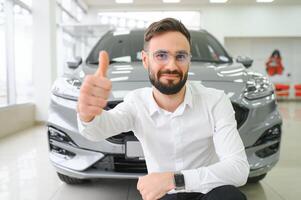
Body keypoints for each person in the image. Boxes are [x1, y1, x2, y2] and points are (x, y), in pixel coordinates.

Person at [77, 18, 249, 200]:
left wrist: (175, 180)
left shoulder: (215, 101)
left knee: (230, 196)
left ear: (189, 60)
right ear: (145, 59)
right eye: (161, 55)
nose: (172, 66)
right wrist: (87, 115)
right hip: (164, 195)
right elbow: (98, 130)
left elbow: (238, 169)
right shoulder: (136, 102)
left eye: (180, 56)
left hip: (207, 190)